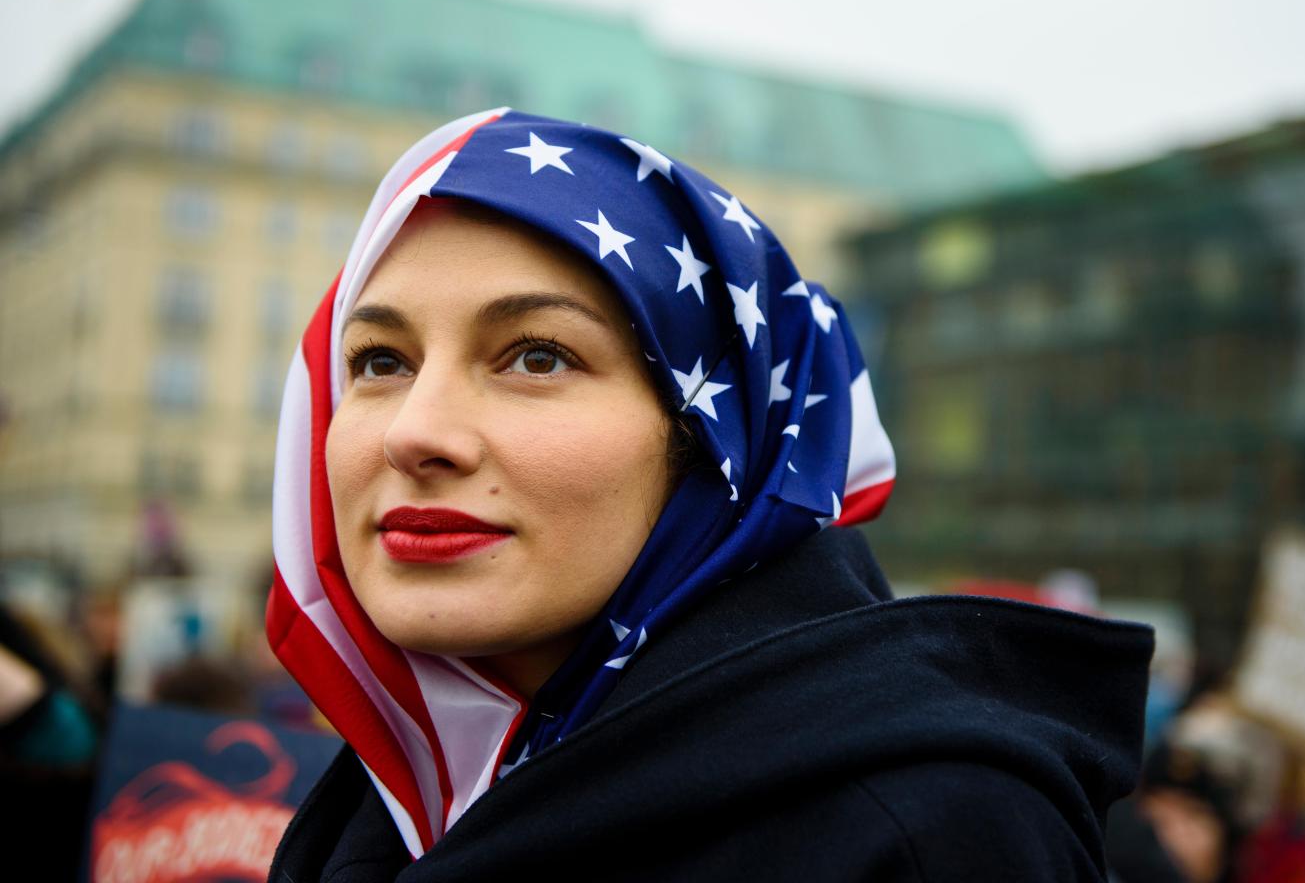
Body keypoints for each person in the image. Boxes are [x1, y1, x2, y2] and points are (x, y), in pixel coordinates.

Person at [265, 109, 1154, 881]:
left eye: (538, 356)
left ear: (713, 443)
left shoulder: (927, 832)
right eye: (380, 361)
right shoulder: (382, 808)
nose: (414, 433)